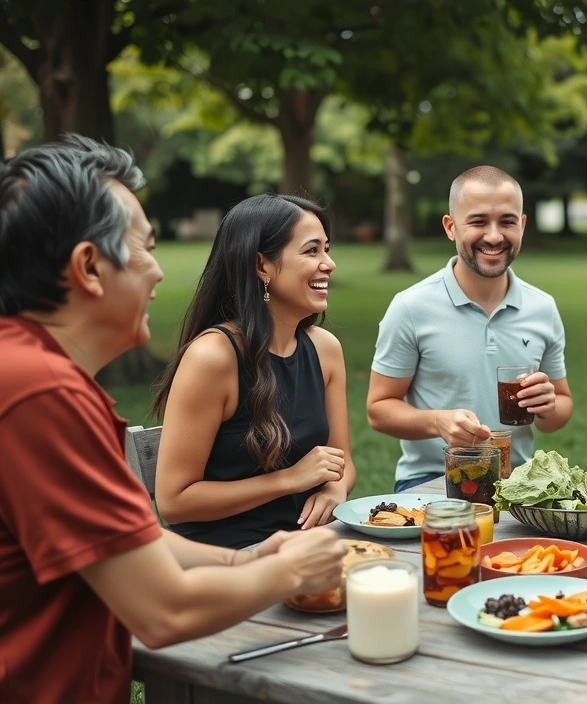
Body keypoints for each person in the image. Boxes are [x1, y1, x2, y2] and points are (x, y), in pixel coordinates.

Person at [0, 135, 345, 704]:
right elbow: (163, 609)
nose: (159, 273)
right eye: (145, 248)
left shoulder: (39, 380)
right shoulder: (38, 396)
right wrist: (289, 575)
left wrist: (248, 558)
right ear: (89, 267)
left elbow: (130, 545)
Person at [152, 194, 356, 549]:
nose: (329, 263)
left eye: (327, 248)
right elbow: (174, 500)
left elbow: (343, 462)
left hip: (304, 551)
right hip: (224, 561)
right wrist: (288, 480)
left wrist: (334, 491)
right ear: (262, 266)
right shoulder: (213, 357)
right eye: (311, 251)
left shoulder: (325, 349)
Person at [368, 165, 573, 491]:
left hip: (519, 482)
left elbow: (560, 409)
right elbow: (378, 410)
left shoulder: (542, 307)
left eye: (507, 221)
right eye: (478, 221)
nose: (494, 236)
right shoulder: (411, 307)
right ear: (451, 227)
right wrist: (438, 422)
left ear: (522, 225)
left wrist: (549, 405)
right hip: (430, 480)